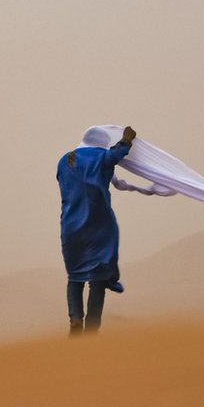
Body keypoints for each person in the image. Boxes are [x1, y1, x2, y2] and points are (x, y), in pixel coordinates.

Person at [56, 125, 136, 335]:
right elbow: (116, 155)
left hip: (70, 226)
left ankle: (75, 319)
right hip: (97, 224)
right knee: (98, 277)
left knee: (75, 275)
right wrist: (127, 139)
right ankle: (92, 328)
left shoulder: (64, 161)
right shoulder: (100, 157)